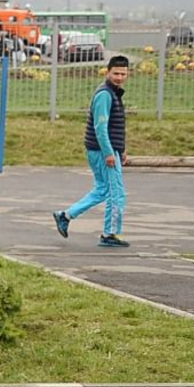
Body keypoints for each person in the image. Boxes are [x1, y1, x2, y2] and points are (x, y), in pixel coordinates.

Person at [53, 55, 131, 248]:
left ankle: (65, 216)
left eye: (123, 74)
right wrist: (109, 153)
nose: (119, 77)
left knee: (102, 189)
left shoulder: (113, 93)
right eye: (116, 73)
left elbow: (115, 126)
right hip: (103, 151)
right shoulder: (105, 94)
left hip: (106, 149)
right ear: (108, 72)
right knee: (116, 193)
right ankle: (109, 234)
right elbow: (100, 128)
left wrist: (121, 149)